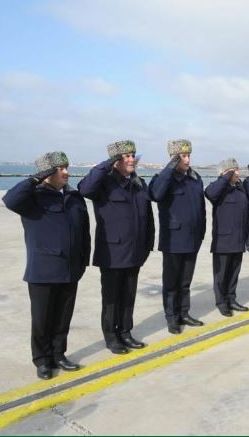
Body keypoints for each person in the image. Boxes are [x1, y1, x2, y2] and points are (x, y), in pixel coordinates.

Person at [3, 152, 90, 379]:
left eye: (66, 167)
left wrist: (83, 260)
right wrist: (35, 179)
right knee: (42, 319)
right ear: (47, 173)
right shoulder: (33, 198)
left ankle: (59, 354)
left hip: (70, 268)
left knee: (63, 317)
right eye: (59, 169)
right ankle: (42, 360)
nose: (66, 172)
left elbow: (85, 232)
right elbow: (10, 200)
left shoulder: (73, 196)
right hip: (43, 269)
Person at [78, 140, 154, 355]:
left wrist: (148, 244)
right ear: (116, 160)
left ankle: (126, 331)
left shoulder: (138, 182)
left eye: (133, 155)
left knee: (128, 294)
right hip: (113, 252)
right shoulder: (104, 183)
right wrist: (107, 164)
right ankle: (111, 336)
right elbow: (84, 188)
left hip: (135, 250)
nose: (131, 159)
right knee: (111, 297)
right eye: (126, 156)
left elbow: (148, 216)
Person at [148, 139, 206, 334]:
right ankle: (172, 317)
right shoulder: (164, 179)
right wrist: (171, 167)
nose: (188, 160)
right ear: (173, 158)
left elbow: (201, 209)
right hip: (173, 240)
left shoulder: (195, 178)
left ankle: (184, 313)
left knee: (185, 282)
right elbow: (155, 194)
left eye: (189, 155)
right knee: (171, 282)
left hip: (192, 239)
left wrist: (201, 232)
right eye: (183, 156)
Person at [204, 158, 249, 317]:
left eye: (237, 169)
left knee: (234, 272)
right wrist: (225, 177)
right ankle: (221, 302)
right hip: (223, 240)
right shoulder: (218, 189)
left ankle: (231, 298)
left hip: (238, 238)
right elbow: (209, 193)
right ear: (224, 173)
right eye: (233, 170)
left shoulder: (239, 188)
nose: (237, 173)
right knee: (221, 274)